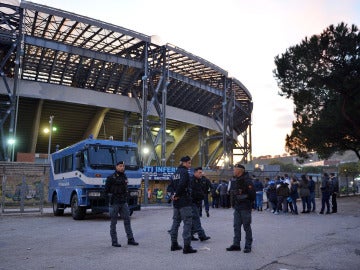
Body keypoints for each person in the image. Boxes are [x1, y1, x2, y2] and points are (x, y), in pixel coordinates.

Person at [105, 161, 139, 247]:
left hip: (123, 202)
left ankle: (130, 239)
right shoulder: (111, 178)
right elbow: (106, 191)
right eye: (120, 166)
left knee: (127, 221)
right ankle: (114, 241)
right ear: (116, 167)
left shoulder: (124, 177)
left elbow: (125, 190)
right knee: (113, 223)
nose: (122, 167)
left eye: (123, 166)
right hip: (114, 203)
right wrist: (110, 200)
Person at [168, 156, 197, 254]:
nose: (190, 165)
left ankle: (174, 244)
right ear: (183, 163)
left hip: (176, 203)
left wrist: (173, 195)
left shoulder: (175, 173)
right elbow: (182, 184)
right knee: (187, 223)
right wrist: (177, 194)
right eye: (189, 163)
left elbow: (170, 187)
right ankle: (187, 247)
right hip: (184, 201)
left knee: (175, 223)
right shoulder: (185, 172)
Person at [226, 163, 256, 253]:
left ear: (239, 171)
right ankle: (236, 244)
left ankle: (248, 245)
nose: (233, 171)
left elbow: (252, 195)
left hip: (245, 207)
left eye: (235, 169)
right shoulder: (235, 180)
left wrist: (246, 200)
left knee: (246, 226)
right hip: (237, 207)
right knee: (236, 226)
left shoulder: (247, 180)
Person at [190, 167, 211, 241]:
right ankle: (202, 235)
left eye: (201, 172)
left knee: (193, 219)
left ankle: (190, 235)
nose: (201, 174)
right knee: (196, 219)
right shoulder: (192, 181)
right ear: (195, 172)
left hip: (197, 202)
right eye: (199, 172)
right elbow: (192, 192)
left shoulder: (199, 180)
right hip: (192, 202)